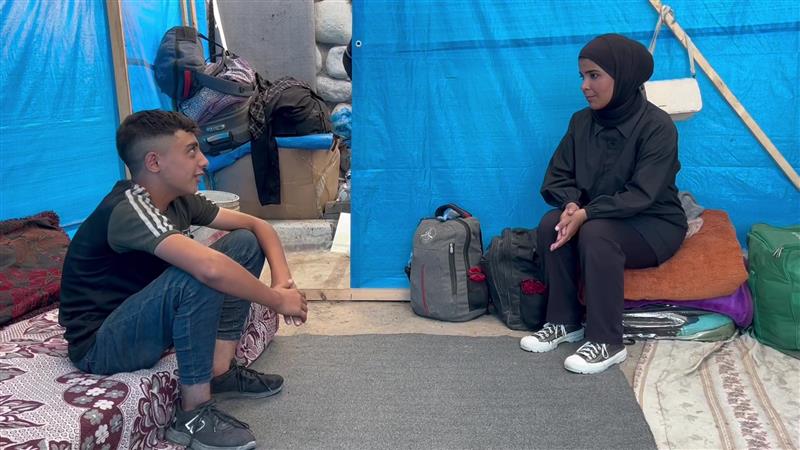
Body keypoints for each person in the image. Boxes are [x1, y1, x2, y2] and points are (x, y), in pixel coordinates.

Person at [59, 110, 309, 449]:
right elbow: (208, 269)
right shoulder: (130, 209)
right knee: (200, 272)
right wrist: (276, 301)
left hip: (139, 318)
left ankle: (220, 370)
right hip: (101, 345)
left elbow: (257, 226)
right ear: (154, 162)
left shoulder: (179, 201)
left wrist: (282, 283)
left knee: (243, 243)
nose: (204, 161)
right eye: (191, 151)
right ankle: (192, 415)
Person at [519, 34, 687, 374]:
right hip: (598, 217)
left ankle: (607, 341)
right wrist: (570, 205)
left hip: (653, 223)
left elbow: (643, 194)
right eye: (582, 76)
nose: (585, 85)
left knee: (596, 233)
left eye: (594, 75)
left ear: (623, 76)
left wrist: (587, 213)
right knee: (551, 223)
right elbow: (557, 176)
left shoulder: (658, 126)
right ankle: (564, 321)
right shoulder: (581, 122)